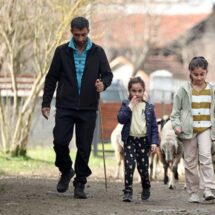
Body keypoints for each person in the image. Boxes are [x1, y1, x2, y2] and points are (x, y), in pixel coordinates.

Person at [41, 16, 113, 199]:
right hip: (65, 105)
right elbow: (51, 79)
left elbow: (108, 75)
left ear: (88, 31)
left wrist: (103, 84)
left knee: (84, 147)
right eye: (77, 35)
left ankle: (80, 182)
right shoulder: (61, 52)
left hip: (88, 107)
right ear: (71, 32)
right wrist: (46, 103)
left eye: (83, 34)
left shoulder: (97, 52)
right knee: (59, 141)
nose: (80, 38)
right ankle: (66, 170)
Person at [170, 56, 215, 203]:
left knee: (206, 157)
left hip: (206, 128)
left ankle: (207, 189)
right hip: (188, 130)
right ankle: (193, 192)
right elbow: (175, 113)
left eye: (202, 74)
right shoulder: (183, 91)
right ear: (190, 73)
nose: (199, 77)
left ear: (206, 72)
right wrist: (176, 125)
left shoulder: (212, 90)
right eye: (196, 74)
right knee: (190, 161)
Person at [117, 77, 159, 202]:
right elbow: (121, 119)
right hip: (130, 140)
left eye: (139, 91)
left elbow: (153, 127)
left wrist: (154, 142)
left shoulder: (149, 108)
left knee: (143, 168)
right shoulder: (126, 104)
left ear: (144, 91)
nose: (137, 94)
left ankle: (146, 186)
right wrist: (130, 106)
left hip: (143, 141)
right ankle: (128, 191)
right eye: (134, 91)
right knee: (129, 166)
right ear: (129, 91)